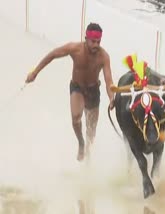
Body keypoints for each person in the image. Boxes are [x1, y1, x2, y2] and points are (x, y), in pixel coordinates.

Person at [25, 23, 115, 161]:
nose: (96, 45)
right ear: (86, 38)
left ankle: (88, 156)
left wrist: (111, 98)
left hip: (93, 91)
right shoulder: (74, 49)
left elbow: (109, 80)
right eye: (93, 41)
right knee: (76, 118)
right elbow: (52, 55)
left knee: (91, 130)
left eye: (98, 42)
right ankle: (80, 142)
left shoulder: (104, 56)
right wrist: (35, 72)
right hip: (77, 88)